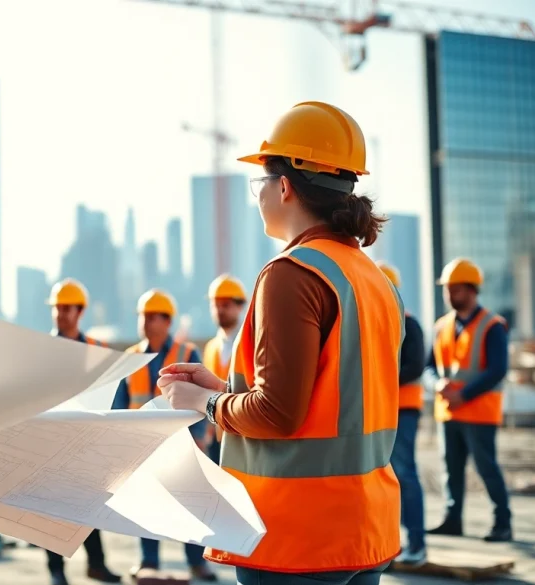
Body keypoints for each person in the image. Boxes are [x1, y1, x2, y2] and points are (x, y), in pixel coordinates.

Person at [158, 101, 404, 584]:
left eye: (261, 183)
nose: (259, 195)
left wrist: (205, 403)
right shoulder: (373, 280)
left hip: (297, 541)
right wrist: (222, 386)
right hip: (363, 529)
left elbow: (277, 414)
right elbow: (329, 398)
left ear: (285, 186)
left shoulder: (291, 274)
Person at [113, 289, 216, 582]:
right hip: (143, 446)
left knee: (191, 506)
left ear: (167, 321)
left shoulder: (186, 353)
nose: (145, 322)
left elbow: (201, 396)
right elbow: (120, 404)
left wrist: (198, 437)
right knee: (147, 506)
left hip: (182, 444)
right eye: (143, 316)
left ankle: (197, 562)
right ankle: (149, 562)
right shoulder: (131, 358)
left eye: (152, 316)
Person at [426, 258, 512, 542]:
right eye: (448, 289)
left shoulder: (492, 326)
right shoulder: (442, 326)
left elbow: (497, 370)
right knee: (451, 469)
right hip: (448, 412)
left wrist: (463, 395)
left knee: (486, 468)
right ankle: (453, 520)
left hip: (478, 412)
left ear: (473, 290)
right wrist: (437, 384)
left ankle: (503, 523)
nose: (451, 295)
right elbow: (428, 368)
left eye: (457, 289)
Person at [43, 278, 122, 585]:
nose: (61, 314)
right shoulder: (43, 350)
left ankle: (96, 565)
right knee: (48, 510)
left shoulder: (98, 350)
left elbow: (114, 393)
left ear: (80, 311)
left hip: (86, 441)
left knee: (87, 507)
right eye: (57, 308)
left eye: (67, 308)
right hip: (51, 440)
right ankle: (56, 571)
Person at [377, 262, 428, 564]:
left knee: (405, 474)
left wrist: (378, 377)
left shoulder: (409, 323)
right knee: (383, 478)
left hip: (403, 410)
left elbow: (415, 366)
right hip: (377, 411)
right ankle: (390, 545)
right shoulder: (369, 325)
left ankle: (417, 543)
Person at [201, 274, 247, 464]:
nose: (219, 310)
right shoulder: (211, 347)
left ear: (240, 306)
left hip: (242, 436)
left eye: (225, 305)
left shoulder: (250, 342)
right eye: (215, 304)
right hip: (216, 436)